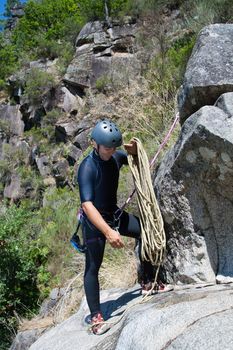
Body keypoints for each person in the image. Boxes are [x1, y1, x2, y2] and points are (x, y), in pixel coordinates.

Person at [77, 119, 172, 335]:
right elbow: (87, 205)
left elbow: (133, 159)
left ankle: (148, 281)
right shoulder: (87, 168)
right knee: (93, 267)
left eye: (114, 147)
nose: (112, 151)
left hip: (113, 214)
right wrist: (108, 232)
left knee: (145, 232)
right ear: (96, 144)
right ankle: (96, 316)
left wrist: (134, 151)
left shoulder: (115, 157)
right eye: (108, 147)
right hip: (94, 222)